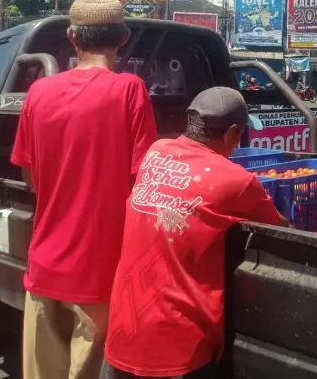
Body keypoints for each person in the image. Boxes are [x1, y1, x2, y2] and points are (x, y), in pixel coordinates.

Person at [11, 0, 158, 379]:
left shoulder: (39, 92)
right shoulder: (130, 89)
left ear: (73, 37)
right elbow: (139, 181)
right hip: (99, 272)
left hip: (44, 266)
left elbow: (29, 175)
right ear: (123, 38)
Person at [102, 87, 288, 379]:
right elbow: (281, 232)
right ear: (231, 133)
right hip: (181, 346)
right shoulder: (236, 180)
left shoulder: (156, 151)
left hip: (124, 331)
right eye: (239, 136)